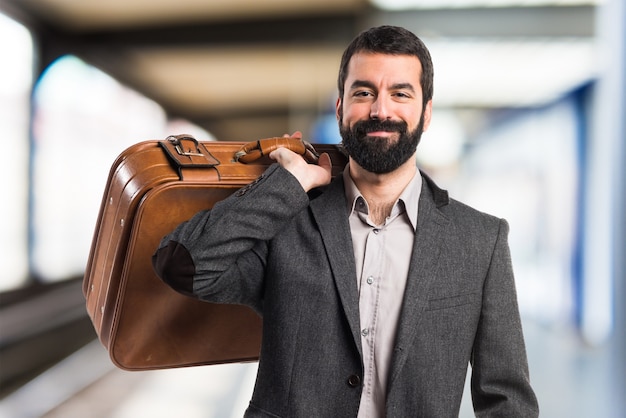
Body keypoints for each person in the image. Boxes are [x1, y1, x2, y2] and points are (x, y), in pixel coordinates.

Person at [152, 25, 539, 417]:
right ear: (340, 108)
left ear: (426, 112)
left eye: (400, 94)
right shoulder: (286, 222)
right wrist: (284, 187)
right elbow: (184, 266)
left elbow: (507, 401)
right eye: (363, 92)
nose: (380, 110)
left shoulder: (480, 241)